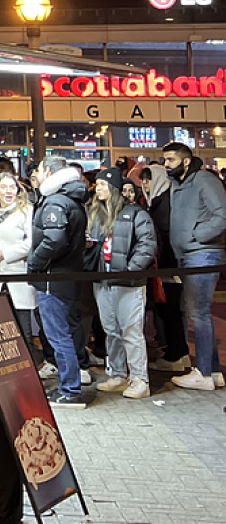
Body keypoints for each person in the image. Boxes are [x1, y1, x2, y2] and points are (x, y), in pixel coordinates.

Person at [87, 168, 157, 398]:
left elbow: (147, 244)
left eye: (102, 185)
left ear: (114, 189)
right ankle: (117, 373)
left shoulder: (136, 213)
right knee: (111, 330)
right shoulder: (95, 214)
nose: (98, 189)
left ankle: (140, 379)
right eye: (97, 185)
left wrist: (130, 270)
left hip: (129, 284)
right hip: (103, 281)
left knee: (131, 331)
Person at [28, 153, 91, 408]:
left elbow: (54, 240)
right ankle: (70, 386)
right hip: (65, 276)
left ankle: (70, 390)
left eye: (41, 169)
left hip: (53, 279)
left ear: (49, 173)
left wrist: (34, 264)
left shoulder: (55, 202)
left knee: (58, 336)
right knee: (63, 334)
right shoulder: (72, 200)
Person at [164, 140, 226, 390]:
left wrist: (197, 236)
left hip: (202, 254)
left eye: (170, 160)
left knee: (198, 313)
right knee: (199, 313)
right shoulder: (178, 184)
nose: (165, 164)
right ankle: (211, 371)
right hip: (191, 254)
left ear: (185, 161)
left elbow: (222, 214)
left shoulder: (203, 180)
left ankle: (204, 372)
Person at [0, 172, 38, 354]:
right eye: (4, 187)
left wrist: (6, 254)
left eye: (12, 187)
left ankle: (27, 374)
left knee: (22, 329)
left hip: (16, 275)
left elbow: (30, 243)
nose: (8, 191)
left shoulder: (26, 211)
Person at [140, 161, 191, 373]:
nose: (144, 184)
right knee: (168, 311)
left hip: (169, 265)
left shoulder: (164, 204)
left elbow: (164, 235)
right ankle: (177, 353)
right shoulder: (158, 202)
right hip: (166, 265)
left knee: (170, 311)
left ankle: (176, 355)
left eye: (147, 179)